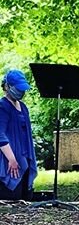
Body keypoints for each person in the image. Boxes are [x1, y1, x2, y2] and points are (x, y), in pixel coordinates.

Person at [0, 69, 38, 201]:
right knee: (12, 198)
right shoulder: (2, 106)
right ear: (7, 86)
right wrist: (11, 159)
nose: (21, 92)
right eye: (18, 88)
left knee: (25, 199)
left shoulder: (23, 107)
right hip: (9, 161)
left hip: (25, 157)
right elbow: (0, 135)